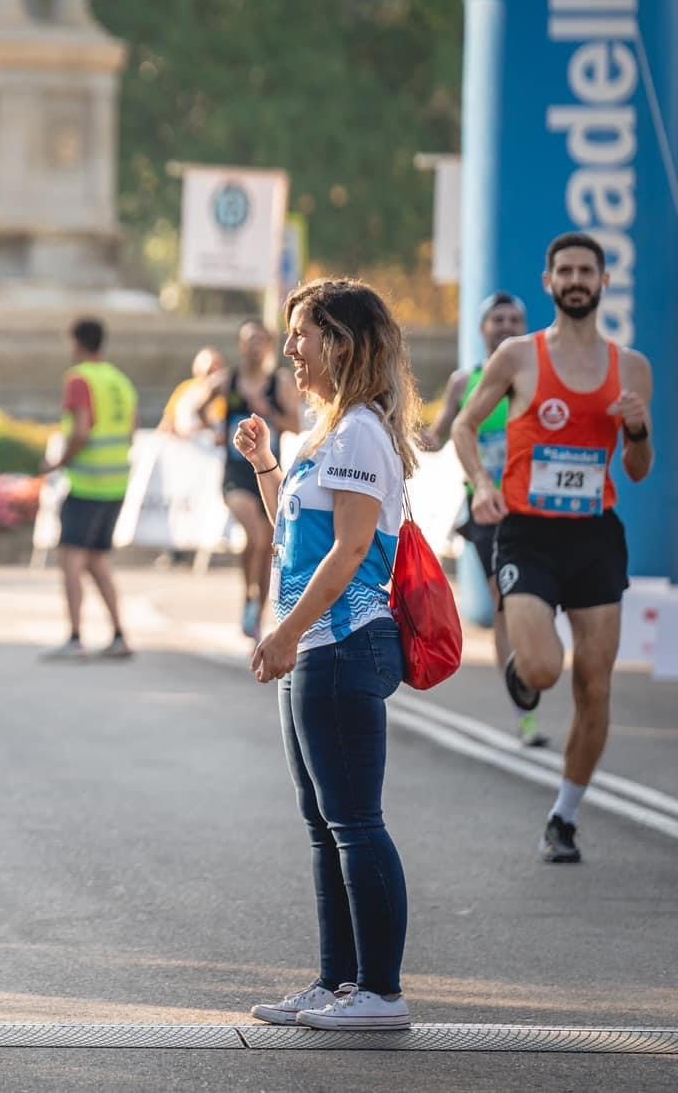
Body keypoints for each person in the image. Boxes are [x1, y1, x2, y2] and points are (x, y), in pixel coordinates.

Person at [235, 279, 416, 1033]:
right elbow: (297, 540)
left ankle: (380, 992)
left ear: (340, 343)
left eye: (302, 335)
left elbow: (347, 554)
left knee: (355, 823)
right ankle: (337, 981)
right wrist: (268, 468)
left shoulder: (359, 434)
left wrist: (282, 634)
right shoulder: (326, 434)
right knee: (325, 823)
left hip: (343, 643)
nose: (289, 351)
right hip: (319, 644)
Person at [452, 233, 655, 865]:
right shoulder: (517, 356)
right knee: (542, 672)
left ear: (602, 282)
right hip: (529, 533)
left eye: (585, 271)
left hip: (595, 536)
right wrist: (482, 484)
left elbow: (640, 468)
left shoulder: (632, 368)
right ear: (548, 282)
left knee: (595, 687)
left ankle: (564, 817)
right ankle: (523, 667)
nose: (574, 279)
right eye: (564, 270)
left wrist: (638, 427)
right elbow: (462, 424)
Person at [419, 292, 540, 746]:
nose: (507, 325)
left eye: (516, 318)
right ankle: (523, 713)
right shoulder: (464, 381)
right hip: (487, 508)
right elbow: (439, 437)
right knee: (505, 599)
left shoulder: (539, 376)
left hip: (538, 508)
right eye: (498, 319)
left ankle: (533, 669)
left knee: (533, 601)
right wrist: (402, 429)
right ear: (482, 329)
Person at [43, 318, 137, 661]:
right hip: (116, 482)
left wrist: (57, 462)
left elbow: (81, 430)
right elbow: (131, 429)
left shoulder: (80, 379)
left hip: (87, 482)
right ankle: (118, 634)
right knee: (97, 559)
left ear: (77, 343)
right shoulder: (120, 381)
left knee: (70, 557)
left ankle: (75, 636)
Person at [210, 321, 302, 637]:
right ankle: (251, 597)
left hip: (268, 473)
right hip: (235, 474)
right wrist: (215, 431)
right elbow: (196, 408)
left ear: (269, 346)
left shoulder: (281, 383)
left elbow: (296, 424)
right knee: (258, 535)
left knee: (263, 544)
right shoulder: (227, 381)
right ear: (240, 345)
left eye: (260, 341)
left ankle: (255, 608)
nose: (254, 346)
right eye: (249, 340)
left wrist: (270, 415)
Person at [159, 347, 226, 438]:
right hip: (184, 446)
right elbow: (167, 421)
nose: (213, 374)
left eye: (217, 367)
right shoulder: (185, 389)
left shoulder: (225, 394)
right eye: (210, 370)